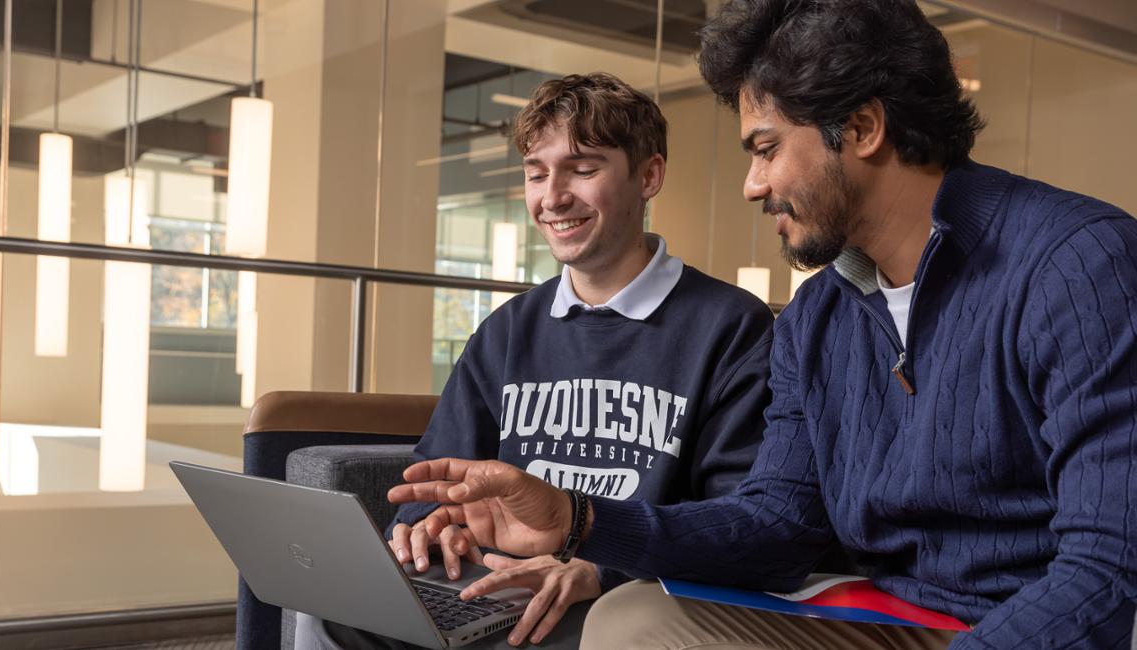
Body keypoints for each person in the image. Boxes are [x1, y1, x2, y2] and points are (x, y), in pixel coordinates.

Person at [388, 1, 1137, 648]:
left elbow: (1107, 572)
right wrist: (576, 518)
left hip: (1036, 623)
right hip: (891, 619)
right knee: (635, 621)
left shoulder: (1077, 264)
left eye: (766, 149)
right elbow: (778, 528)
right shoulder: (818, 316)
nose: (752, 186)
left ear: (864, 127)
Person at [300, 72, 775, 649]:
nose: (552, 197)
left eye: (582, 168)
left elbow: (739, 519)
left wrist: (602, 569)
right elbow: (434, 477)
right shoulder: (506, 331)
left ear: (648, 176)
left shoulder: (732, 328)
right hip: (487, 583)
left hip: (613, 595)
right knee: (330, 611)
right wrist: (428, 528)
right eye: (536, 173)